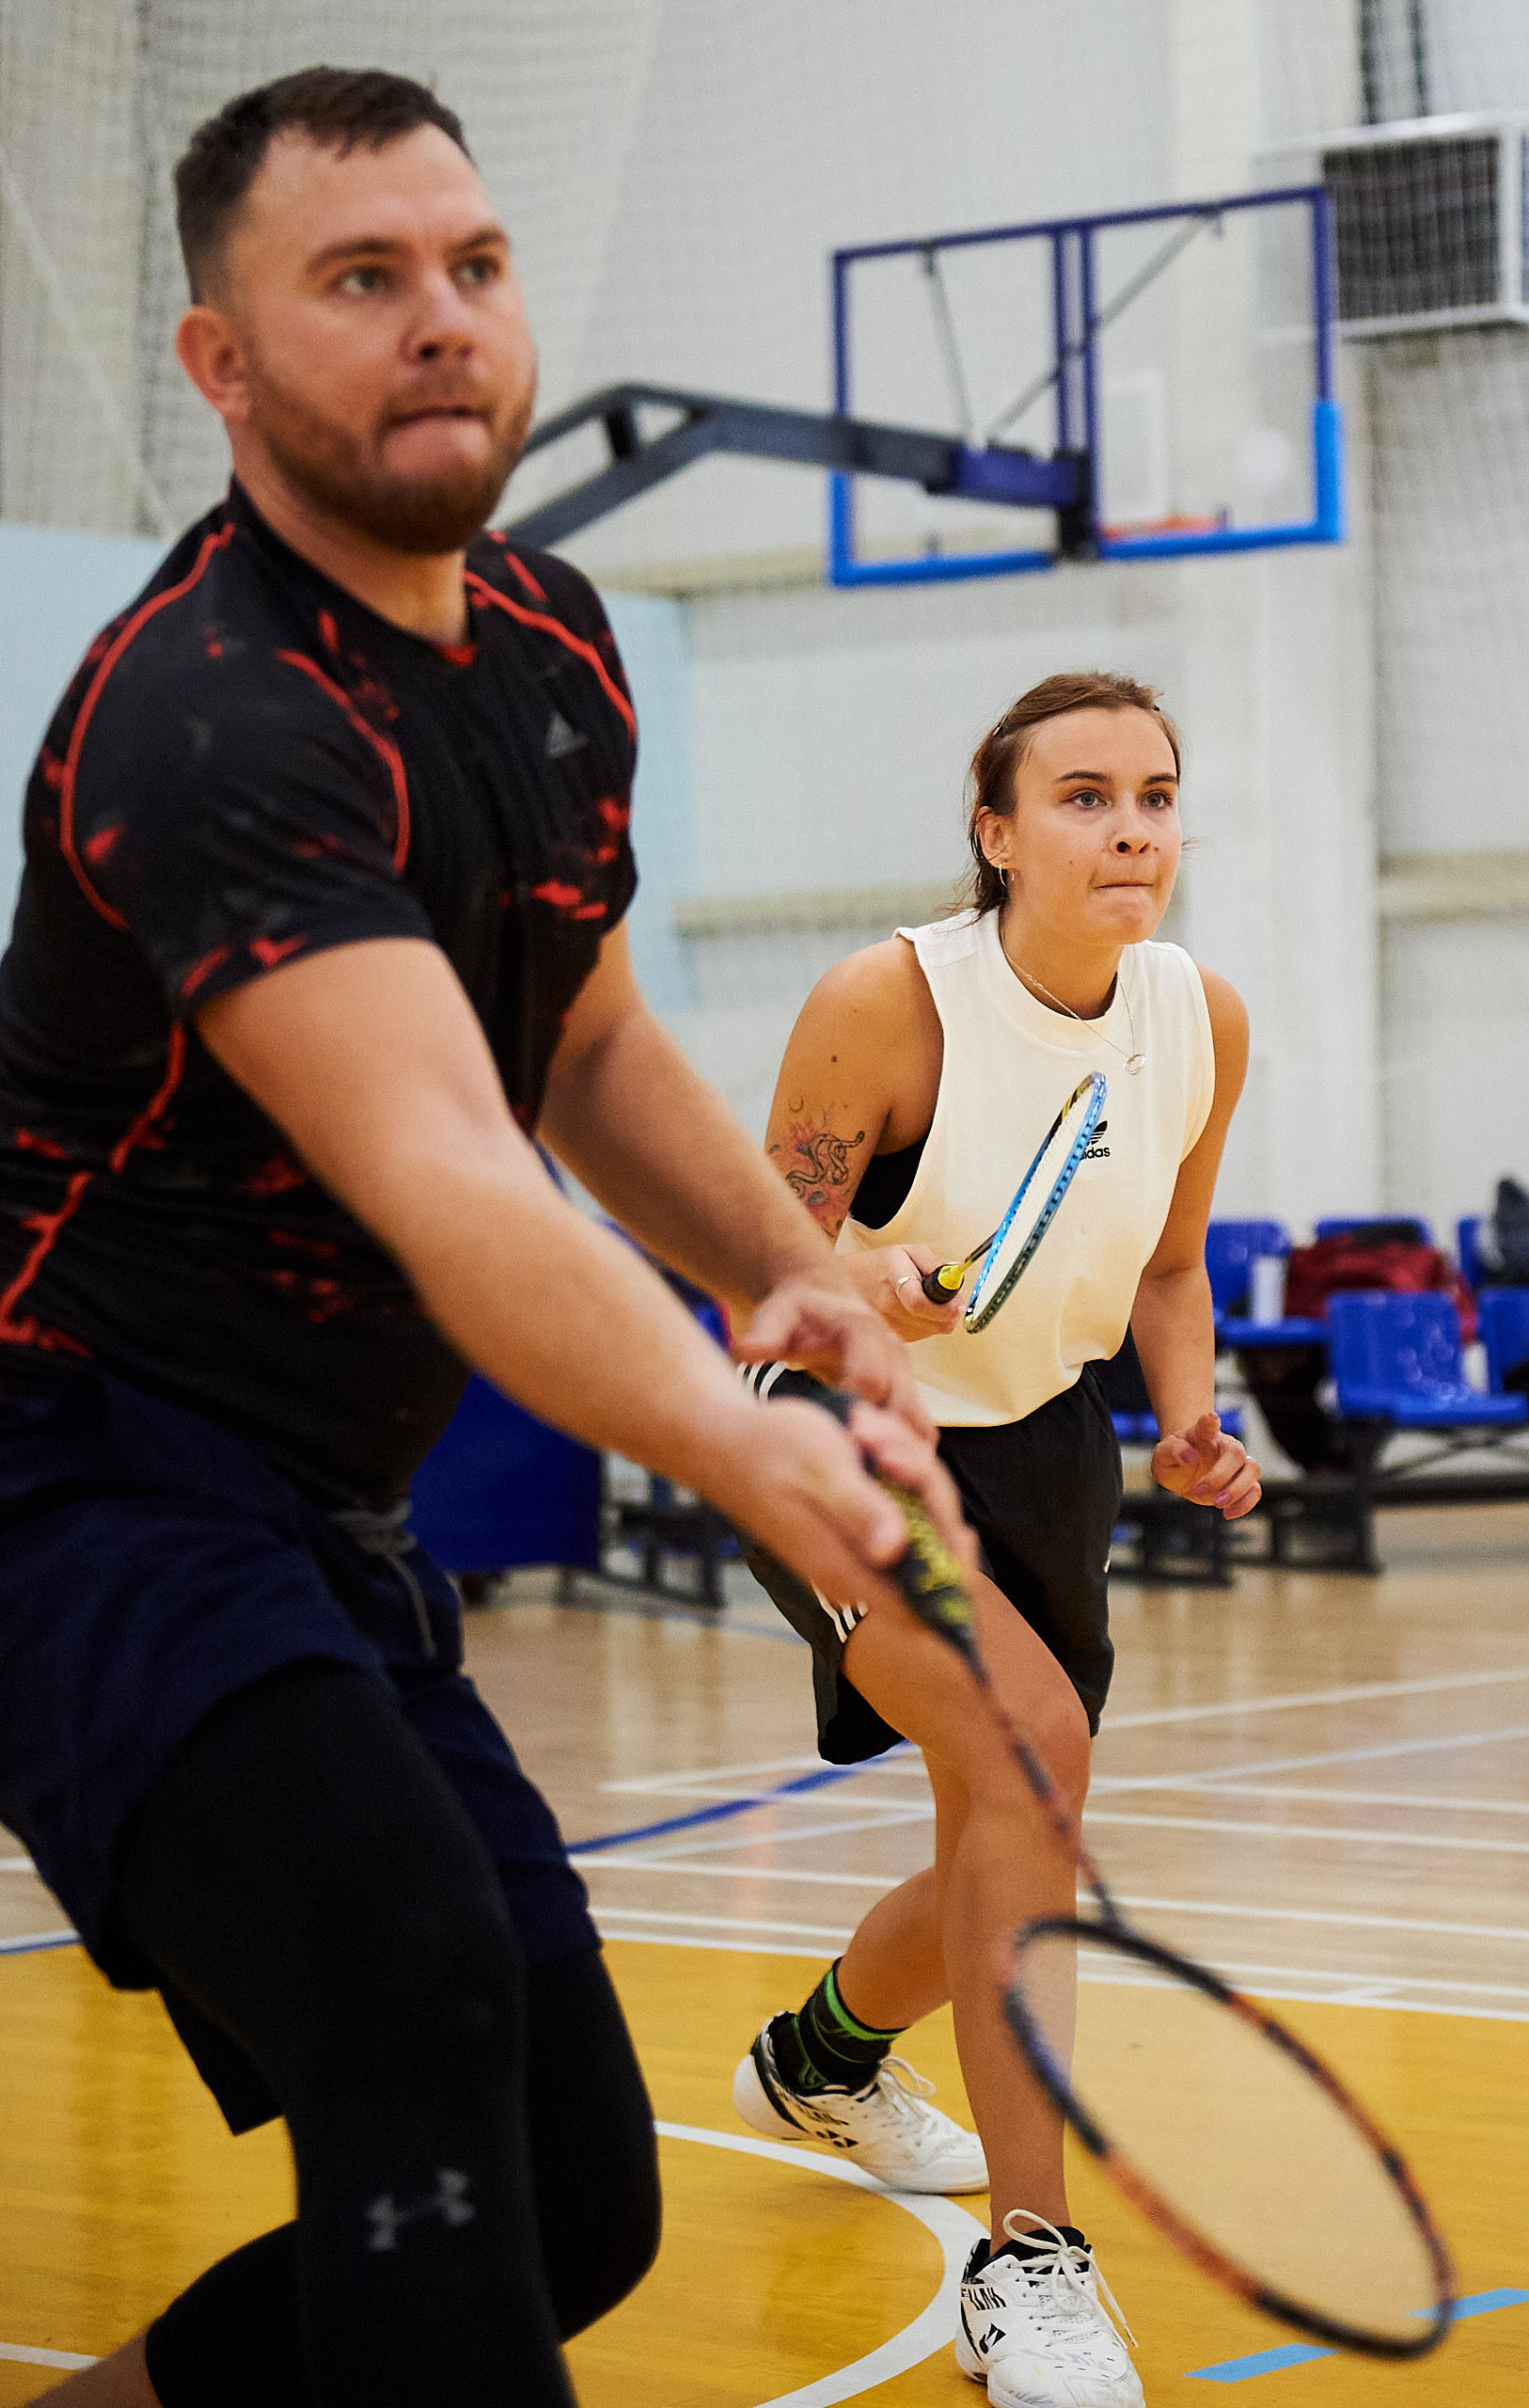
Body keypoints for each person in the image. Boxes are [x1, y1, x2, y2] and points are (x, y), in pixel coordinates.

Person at [0, 68, 966, 2408]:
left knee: (567, 2183)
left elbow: (582, 1037)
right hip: (71, 1478)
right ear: (223, 362)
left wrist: (789, 1271)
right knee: (411, 1991)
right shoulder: (210, 716)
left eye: (475, 265)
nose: (442, 319)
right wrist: (736, 1438)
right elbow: (446, 1170)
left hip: (313, 1503)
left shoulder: (548, 638)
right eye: (361, 279)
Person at [730, 672, 1263, 2408]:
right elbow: (753, 1269)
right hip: (839, 1429)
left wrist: (1188, 1417)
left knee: (1011, 1814)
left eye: (1156, 797)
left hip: (1039, 1437)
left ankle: (820, 2058)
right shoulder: (885, 1005)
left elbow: (1170, 1266)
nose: (1132, 831)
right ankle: (1030, 2262)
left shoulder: (1199, 1018)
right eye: (1085, 797)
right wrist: (855, 1279)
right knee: (1034, 1753)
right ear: (998, 832)